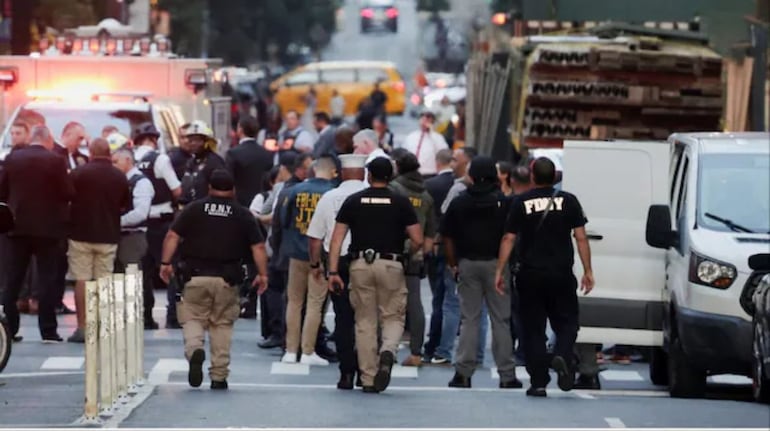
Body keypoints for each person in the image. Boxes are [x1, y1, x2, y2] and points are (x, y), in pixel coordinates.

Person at [494, 157, 595, 398]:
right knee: (568, 322)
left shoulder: (520, 202)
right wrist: (588, 270)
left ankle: (538, 382)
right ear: (554, 177)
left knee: (533, 329)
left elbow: (509, 238)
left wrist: (499, 270)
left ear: (532, 176)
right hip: (561, 273)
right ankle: (562, 353)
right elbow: (581, 237)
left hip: (530, 275)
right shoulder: (569, 201)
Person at [160, 170, 269, 390]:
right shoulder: (242, 214)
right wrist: (263, 274)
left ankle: (194, 350)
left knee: (191, 317)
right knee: (222, 324)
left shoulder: (194, 209)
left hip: (195, 276)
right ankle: (219, 375)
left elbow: (173, 236)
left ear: (209, 187)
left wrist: (165, 263)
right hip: (227, 280)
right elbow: (257, 246)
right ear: (233, 189)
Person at [326, 157, 423, 393]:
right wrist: (407, 253)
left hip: (360, 264)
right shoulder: (401, 202)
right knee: (393, 315)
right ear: (390, 176)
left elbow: (336, 239)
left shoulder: (354, 201)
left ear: (369, 175)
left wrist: (333, 271)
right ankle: (388, 350)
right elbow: (418, 239)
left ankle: (368, 378)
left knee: (365, 321)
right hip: (391, 263)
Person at [442, 156, 522, 389]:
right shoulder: (505, 203)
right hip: (498, 265)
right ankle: (507, 375)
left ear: (473, 175)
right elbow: (511, 236)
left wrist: (453, 263)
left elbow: (447, 236)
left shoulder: (459, 201)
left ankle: (463, 373)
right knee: (501, 320)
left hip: (468, 263)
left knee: (469, 318)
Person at [0, 125, 72, 343]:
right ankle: (48, 329)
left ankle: (8, 329)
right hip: (48, 228)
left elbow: (2, 190)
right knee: (47, 279)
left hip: (17, 227)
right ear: (47, 139)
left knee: (13, 280)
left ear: (31, 138)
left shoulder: (13, 159)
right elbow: (67, 192)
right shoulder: (56, 160)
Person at [307, 154, 368, 389]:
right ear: (363, 174)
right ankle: (366, 369)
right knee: (367, 318)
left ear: (342, 173)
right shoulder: (371, 196)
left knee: (343, 319)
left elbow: (315, 238)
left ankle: (346, 373)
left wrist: (316, 265)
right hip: (366, 261)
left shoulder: (329, 197)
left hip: (338, 263)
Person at [65, 138, 130, 343]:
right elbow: (124, 204)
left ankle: (82, 327)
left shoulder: (78, 173)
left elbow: (67, 198)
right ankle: (101, 326)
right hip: (108, 235)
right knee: (104, 281)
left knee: (81, 279)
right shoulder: (119, 177)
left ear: (90, 153)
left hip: (80, 234)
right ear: (109, 154)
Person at [279, 156, 336, 365]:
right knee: (315, 303)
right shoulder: (332, 193)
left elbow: (284, 220)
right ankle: (308, 350)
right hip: (320, 255)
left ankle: (290, 350)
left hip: (296, 251)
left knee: (294, 302)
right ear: (331, 172)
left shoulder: (294, 191)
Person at [133, 123, 184, 330]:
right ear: (154, 139)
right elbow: (177, 190)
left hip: (138, 224)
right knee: (169, 268)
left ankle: (145, 317)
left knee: (142, 273)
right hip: (161, 222)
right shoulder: (160, 159)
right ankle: (173, 316)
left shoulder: (130, 159)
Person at [388, 151, 436, 367]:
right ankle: (417, 352)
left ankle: (386, 346)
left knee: (387, 303)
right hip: (415, 255)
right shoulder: (425, 195)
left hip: (393, 251)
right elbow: (430, 233)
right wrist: (421, 253)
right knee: (415, 303)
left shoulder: (394, 189)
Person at [262, 154, 313, 349]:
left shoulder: (284, 189)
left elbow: (276, 222)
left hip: (285, 250)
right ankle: (302, 341)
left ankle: (284, 338)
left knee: (289, 298)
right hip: (297, 251)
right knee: (301, 299)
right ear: (299, 169)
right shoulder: (290, 190)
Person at [422, 149, 454, 361]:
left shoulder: (431, 186)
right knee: (452, 300)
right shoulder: (459, 184)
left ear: (437, 162)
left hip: (437, 244)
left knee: (439, 298)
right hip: (457, 248)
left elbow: (428, 217)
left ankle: (434, 343)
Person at [112, 149, 154, 277]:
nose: (113, 165)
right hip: (117, 236)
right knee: (117, 280)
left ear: (128, 160)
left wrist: (116, 222)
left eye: (115, 162)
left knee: (131, 279)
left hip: (133, 237)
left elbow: (140, 213)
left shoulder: (141, 182)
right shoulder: (119, 180)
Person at [226, 116, 274, 210]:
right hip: (262, 204)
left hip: (240, 204)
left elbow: (228, 181)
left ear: (240, 129)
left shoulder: (233, 153)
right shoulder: (266, 154)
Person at [179, 121, 226, 206]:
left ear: (206, 142)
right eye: (191, 140)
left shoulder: (215, 163)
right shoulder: (190, 163)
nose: (193, 143)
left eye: (197, 140)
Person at [402, 112, 449, 177]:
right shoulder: (411, 136)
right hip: (411, 173)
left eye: (427, 119)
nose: (424, 121)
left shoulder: (437, 137)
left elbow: (443, 152)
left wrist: (431, 132)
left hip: (429, 174)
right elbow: (404, 153)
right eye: (422, 118)